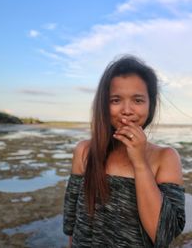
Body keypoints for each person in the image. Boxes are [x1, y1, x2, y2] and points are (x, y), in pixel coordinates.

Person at [63, 55, 185, 247]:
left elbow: (163, 235)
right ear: (103, 104)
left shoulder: (166, 158)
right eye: (116, 100)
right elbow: (71, 220)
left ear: (150, 105)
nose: (127, 110)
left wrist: (139, 162)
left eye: (138, 100)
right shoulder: (85, 151)